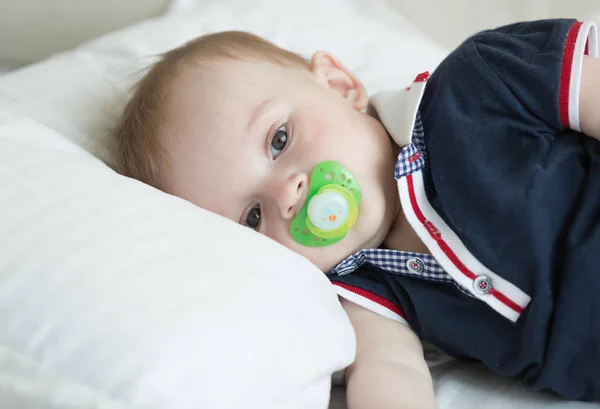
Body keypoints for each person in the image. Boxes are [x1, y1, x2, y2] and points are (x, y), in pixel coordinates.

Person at [114, 18, 600, 407]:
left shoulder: (476, 86)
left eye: (279, 139)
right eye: (252, 218)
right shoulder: (363, 294)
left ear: (340, 85)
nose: (287, 196)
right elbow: (389, 373)